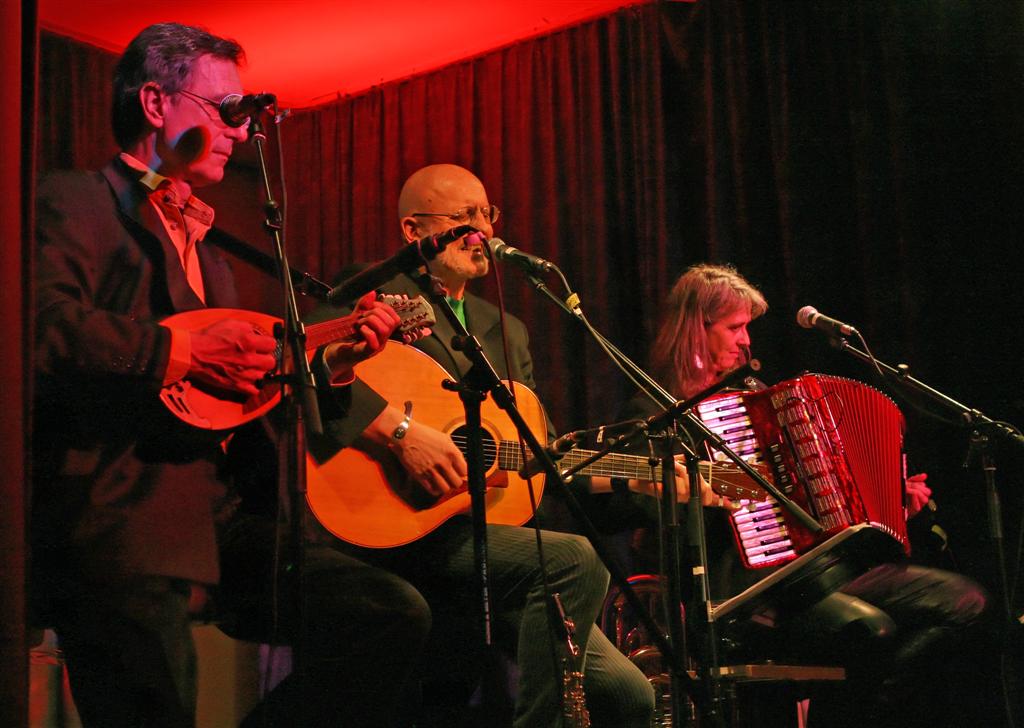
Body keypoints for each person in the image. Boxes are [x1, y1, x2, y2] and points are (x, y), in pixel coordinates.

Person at [31, 22, 405, 727]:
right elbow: (42, 327)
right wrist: (183, 353)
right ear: (154, 103)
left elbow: (234, 393)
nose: (240, 130)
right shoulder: (76, 200)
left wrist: (333, 363)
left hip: (223, 520)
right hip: (123, 521)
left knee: (387, 615)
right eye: (224, 108)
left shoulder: (217, 258)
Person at [303, 163, 657, 727]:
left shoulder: (506, 329)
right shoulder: (375, 291)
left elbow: (531, 453)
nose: (483, 231)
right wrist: (402, 434)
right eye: (464, 217)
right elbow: (310, 367)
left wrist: (637, 478)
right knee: (575, 558)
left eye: (487, 214)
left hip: (482, 537)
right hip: (396, 522)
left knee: (630, 694)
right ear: (414, 230)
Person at [619, 263, 989, 728]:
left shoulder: (757, 399)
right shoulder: (656, 412)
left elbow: (810, 488)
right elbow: (636, 504)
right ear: (696, 329)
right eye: (734, 328)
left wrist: (886, 499)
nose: (746, 341)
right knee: (869, 632)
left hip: (814, 575)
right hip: (743, 592)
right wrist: (716, 489)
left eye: (747, 328)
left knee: (965, 602)